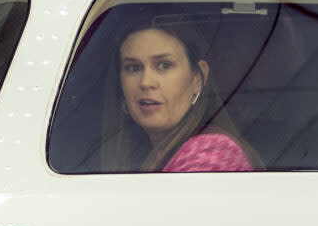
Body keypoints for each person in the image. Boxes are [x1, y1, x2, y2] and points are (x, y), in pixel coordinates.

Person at [101, 25, 258, 172]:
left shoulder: (210, 152)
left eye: (164, 65)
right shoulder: (141, 153)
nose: (146, 82)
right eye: (134, 68)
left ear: (198, 78)